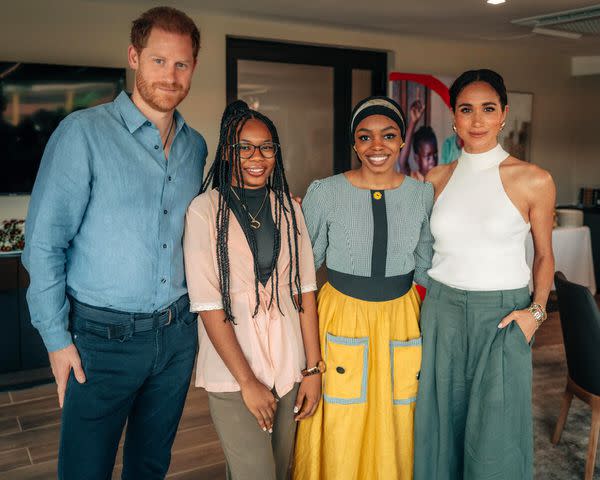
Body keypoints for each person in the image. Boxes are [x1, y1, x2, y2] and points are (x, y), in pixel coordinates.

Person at [22, 7, 206, 479]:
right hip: (99, 344)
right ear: (134, 57)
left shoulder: (195, 147)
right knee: (85, 470)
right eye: (159, 61)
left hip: (176, 337)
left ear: (193, 68)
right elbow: (43, 244)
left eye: (181, 64)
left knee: (150, 467)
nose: (170, 75)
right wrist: (57, 340)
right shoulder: (82, 134)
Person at [414, 69, 555, 479]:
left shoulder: (534, 179)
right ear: (454, 118)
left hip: (503, 315)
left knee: (498, 431)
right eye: (466, 110)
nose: (477, 121)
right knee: (439, 427)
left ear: (504, 115)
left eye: (488, 109)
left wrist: (538, 312)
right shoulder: (435, 179)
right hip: (441, 312)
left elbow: (545, 256)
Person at [294, 96, 434, 480]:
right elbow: (304, 271)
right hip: (342, 315)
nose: (377, 146)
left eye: (388, 136)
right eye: (365, 137)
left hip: (402, 320)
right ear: (353, 144)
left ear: (401, 140)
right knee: (342, 419)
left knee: (399, 418)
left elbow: (425, 269)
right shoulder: (325, 192)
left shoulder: (422, 196)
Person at [183, 101, 322, 480]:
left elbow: (305, 292)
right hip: (234, 372)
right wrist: (247, 381)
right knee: (255, 473)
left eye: (265, 147)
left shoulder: (290, 211)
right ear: (228, 152)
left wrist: (312, 369)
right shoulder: (203, 211)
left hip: (288, 364)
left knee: (277, 470)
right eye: (244, 147)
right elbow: (209, 305)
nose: (255, 156)